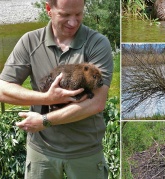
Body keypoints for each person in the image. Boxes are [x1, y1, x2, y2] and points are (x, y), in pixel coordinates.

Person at [0, 0, 113, 178]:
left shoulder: (97, 43)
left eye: (78, 14)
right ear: (49, 10)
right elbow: (2, 89)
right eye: (65, 15)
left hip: (85, 152)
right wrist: (48, 99)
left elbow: (97, 103)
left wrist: (45, 120)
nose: (73, 22)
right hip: (42, 152)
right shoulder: (30, 41)